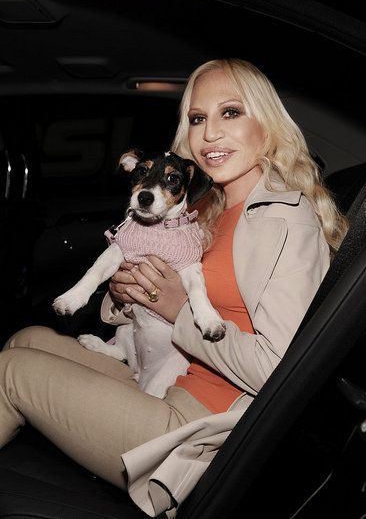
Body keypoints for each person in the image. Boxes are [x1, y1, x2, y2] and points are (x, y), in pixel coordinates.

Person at [0, 58, 347, 516]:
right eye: (198, 118)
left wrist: (178, 309)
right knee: (28, 339)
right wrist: (124, 295)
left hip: (201, 427)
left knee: (10, 371)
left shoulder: (286, 220)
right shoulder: (206, 210)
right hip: (168, 376)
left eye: (231, 112)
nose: (209, 133)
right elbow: (154, 300)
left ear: (268, 123)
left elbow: (283, 372)